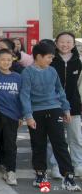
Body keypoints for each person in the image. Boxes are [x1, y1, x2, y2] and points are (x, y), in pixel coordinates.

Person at [20, 42, 81, 191]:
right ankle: (40, 175)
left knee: (60, 143)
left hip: (54, 110)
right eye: (48, 57)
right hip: (35, 113)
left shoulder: (52, 71)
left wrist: (66, 109)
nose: (51, 60)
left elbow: (60, 91)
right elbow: (25, 95)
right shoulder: (27, 72)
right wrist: (28, 116)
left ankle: (68, 177)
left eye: (52, 57)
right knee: (38, 143)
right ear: (38, 57)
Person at [48, 32, 82, 178]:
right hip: (54, 106)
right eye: (62, 42)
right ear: (56, 43)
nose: (65, 45)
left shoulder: (78, 62)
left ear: (73, 45)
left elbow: (80, 86)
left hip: (74, 106)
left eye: (69, 42)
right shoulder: (51, 60)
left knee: (75, 137)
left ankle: (78, 164)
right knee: (56, 138)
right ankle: (56, 166)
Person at [0, 49, 23, 185]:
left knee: (10, 145)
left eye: (9, 59)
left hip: (12, 116)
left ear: (12, 60)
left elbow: (22, 98)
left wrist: (21, 115)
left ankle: (11, 172)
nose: (6, 62)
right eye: (3, 59)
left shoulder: (18, 77)